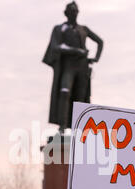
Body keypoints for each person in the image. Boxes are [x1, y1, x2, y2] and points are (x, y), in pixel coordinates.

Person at [43, 1, 103, 133]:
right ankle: (62, 126)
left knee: (80, 98)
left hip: (82, 67)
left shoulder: (83, 29)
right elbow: (55, 47)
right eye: (71, 11)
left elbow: (100, 42)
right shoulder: (59, 29)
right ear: (66, 13)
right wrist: (75, 51)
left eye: (75, 11)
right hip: (68, 66)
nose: (74, 13)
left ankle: (79, 128)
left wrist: (96, 58)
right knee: (65, 92)